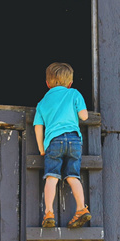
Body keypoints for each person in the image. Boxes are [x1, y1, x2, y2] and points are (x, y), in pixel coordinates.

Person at [33, 62, 90, 228]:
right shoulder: (74, 93)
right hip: (74, 140)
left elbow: (38, 128)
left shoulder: (42, 102)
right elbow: (84, 116)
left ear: (47, 83)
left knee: (51, 177)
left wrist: (41, 148)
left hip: (54, 141)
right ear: (70, 83)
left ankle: (49, 213)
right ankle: (81, 208)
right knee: (73, 176)